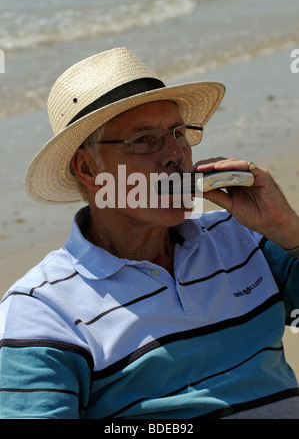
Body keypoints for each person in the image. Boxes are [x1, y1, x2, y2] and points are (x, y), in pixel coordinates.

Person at [0, 47, 298, 420]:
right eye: (143, 139)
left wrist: (288, 230)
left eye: (178, 132)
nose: (175, 154)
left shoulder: (245, 237)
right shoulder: (43, 312)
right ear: (88, 168)